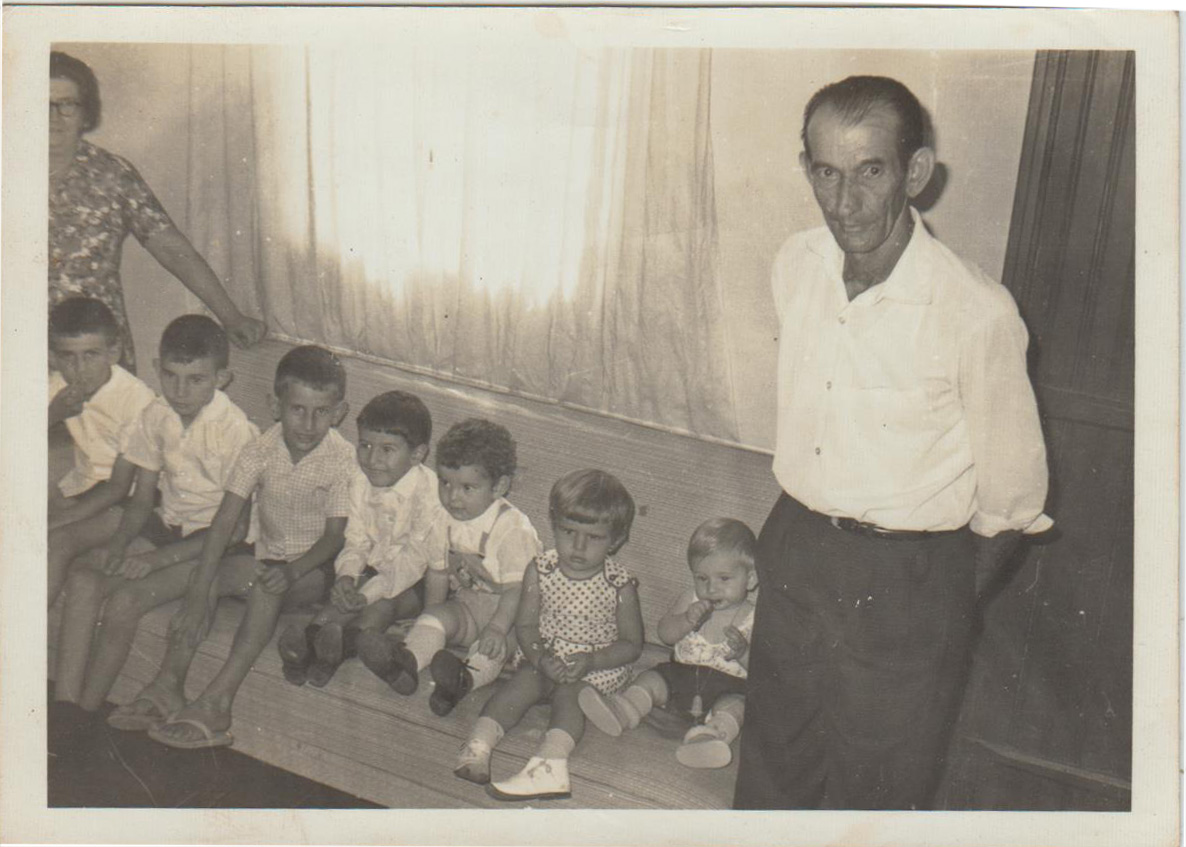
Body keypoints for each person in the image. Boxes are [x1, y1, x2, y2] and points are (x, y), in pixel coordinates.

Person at [733, 75, 1052, 810]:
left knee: (871, 800)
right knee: (769, 777)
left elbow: (1012, 503)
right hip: (796, 550)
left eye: (869, 172)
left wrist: (930, 606)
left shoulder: (976, 312)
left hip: (911, 579)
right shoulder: (796, 263)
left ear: (914, 172)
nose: (843, 203)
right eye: (825, 172)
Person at [106, 346, 354, 748]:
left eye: (321, 412)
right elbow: (224, 523)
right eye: (297, 410)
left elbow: (334, 537)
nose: (308, 424)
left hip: (316, 570)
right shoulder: (260, 448)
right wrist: (199, 593)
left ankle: (218, 703)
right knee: (207, 576)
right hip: (268, 556)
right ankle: (168, 683)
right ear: (276, 405)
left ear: (339, 412)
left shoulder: (342, 459)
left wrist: (291, 571)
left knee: (266, 585)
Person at [50, 315, 258, 741]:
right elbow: (143, 498)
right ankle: (65, 708)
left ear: (222, 378)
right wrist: (121, 545)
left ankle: (85, 717)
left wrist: (155, 558)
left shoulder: (237, 432)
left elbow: (233, 529)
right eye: (171, 376)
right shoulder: (156, 413)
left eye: (195, 380)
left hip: (219, 545)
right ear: (157, 366)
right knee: (86, 576)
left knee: (126, 600)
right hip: (168, 524)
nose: (181, 391)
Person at [49, 51, 265, 372]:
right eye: (42, 104)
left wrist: (230, 316)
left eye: (67, 105)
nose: (53, 117)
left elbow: (172, 250)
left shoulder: (112, 175)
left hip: (100, 357)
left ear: (85, 113)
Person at [451, 469, 643, 802]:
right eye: (568, 532)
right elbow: (525, 626)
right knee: (522, 682)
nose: (578, 546)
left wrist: (591, 660)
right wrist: (540, 658)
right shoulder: (540, 570)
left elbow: (632, 645)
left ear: (615, 540)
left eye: (593, 537)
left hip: (596, 669)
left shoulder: (620, 584)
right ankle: (478, 746)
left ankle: (550, 765)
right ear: (554, 525)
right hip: (546, 657)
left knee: (571, 694)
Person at [356, 418, 541, 716]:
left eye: (468, 487)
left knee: (492, 646)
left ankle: (463, 680)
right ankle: (405, 664)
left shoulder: (513, 528)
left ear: (500, 486)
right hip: (468, 608)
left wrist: (496, 627)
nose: (453, 497)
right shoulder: (442, 518)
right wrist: (429, 621)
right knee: (435, 616)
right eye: (445, 483)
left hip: (513, 617)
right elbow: (438, 573)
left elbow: (517, 590)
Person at [276, 391, 443, 688]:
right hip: (369, 569)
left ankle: (336, 654)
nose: (372, 459)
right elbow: (355, 539)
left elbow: (413, 560)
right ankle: (307, 650)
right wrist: (347, 577)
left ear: (417, 454)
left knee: (381, 607)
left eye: (387, 449)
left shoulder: (430, 492)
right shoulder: (359, 478)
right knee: (336, 606)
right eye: (365, 445)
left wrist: (366, 594)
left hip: (412, 579)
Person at [579, 517, 756, 769]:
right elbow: (665, 634)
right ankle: (625, 709)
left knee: (738, 705)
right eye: (702, 578)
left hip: (728, 686)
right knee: (652, 680)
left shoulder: (754, 616)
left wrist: (743, 651)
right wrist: (685, 619)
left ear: (750, 580)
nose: (711, 589)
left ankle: (712, 737)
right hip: (679, 676)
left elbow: (761, 668)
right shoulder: (690, 599)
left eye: (724, 579)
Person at [47, 297, 156, 604]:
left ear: (113, 353)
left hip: (133, 498)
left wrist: (55, 521)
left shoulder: (137, 401)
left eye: (91, 355)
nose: (79, 369)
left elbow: (118, 488)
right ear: (53, 357)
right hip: (82, 486)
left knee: (57, 541)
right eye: (68, 357)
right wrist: (53, 414)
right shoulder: (55, 385)